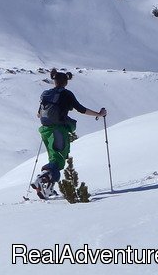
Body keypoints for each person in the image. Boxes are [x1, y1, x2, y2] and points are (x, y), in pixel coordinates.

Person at [32, 68, 107, 198]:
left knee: (54, 159)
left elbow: (39, 114)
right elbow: (81, 109)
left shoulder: (46, 94)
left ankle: (49, 189)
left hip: (45, 130)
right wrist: (99, 114)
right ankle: (41, 178)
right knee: (58, 160)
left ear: (54, 81)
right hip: (58, 130)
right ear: (66, 82)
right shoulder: (66, 94)